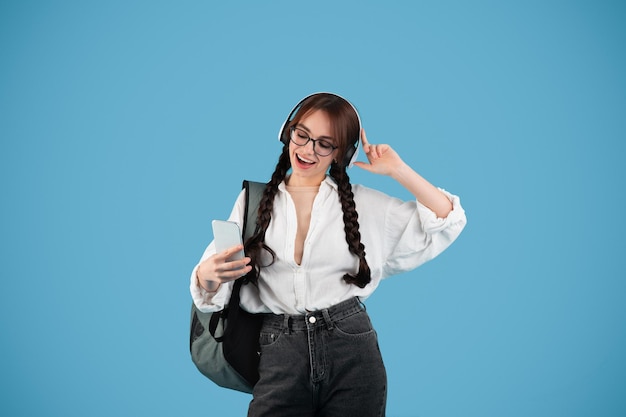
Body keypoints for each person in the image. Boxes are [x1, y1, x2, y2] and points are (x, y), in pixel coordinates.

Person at [190, 92, 467, 416]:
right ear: (287, 132)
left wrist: (398, 170)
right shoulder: (252, 201)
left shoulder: (365, 206)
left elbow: (447, 220)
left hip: (351, 348)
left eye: (324, 143)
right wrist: (206, 277)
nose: (308, 149)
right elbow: (212, 288)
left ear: (342, 154)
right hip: (279, 350)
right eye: (302, 134)